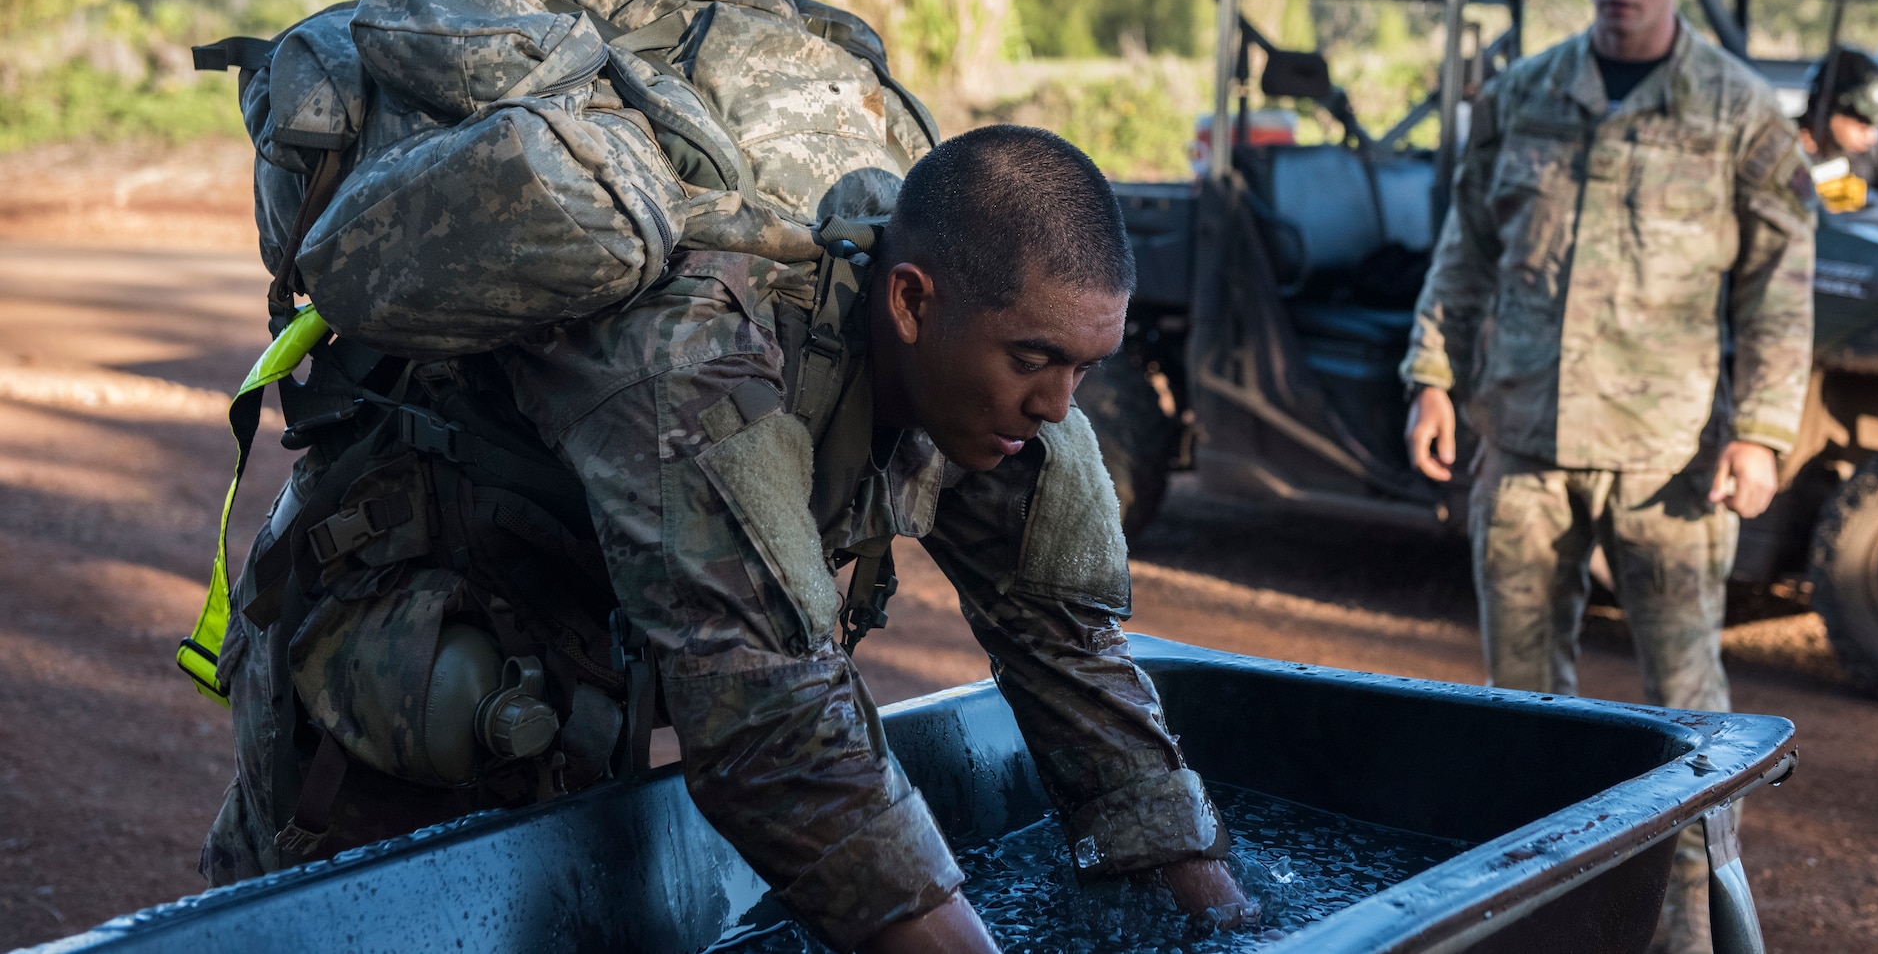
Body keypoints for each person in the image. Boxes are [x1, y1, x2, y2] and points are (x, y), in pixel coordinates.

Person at [205, 124, 1253, 953]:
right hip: (398, 666)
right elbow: (777, 739)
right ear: (911, 300)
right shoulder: (702, 368)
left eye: (1086, 368)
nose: (1060, 406)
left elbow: (1074, 663)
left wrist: (1221, 926)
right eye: (1038, 360)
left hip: (577, 665)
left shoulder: (991, 387)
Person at [1399, 0, 1815, 954]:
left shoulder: (1737, 113)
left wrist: (1763, 430)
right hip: (1525, 456)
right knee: (1520, 722)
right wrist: (1433, 377)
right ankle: (1542, 931)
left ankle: (1689, 939)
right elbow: (1465, 251)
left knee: (1689, 732)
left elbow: (1778, 280)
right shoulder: (1523, 95)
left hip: (1667, 465)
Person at [1797, 46, 1878, 197]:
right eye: (1863, 123)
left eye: (1875, 126)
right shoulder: (1781, 147)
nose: (1871, 137)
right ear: (1827, 106)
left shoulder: (1868, 154)